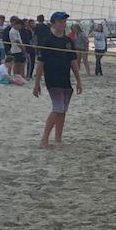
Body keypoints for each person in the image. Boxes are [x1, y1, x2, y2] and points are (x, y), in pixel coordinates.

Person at [33, 12, 82, 149]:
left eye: (64, 21)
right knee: (57, 109)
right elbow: (40, 64)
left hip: (65, 79)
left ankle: (58, 138)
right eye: (60, 21)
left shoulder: (68, 41)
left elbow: (73, 62)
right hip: (52, 80)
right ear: (53, 23)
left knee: (63, 111)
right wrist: (36, 84)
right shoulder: (47, 41)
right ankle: (44, 139)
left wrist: (78, 80)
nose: (63, 23)